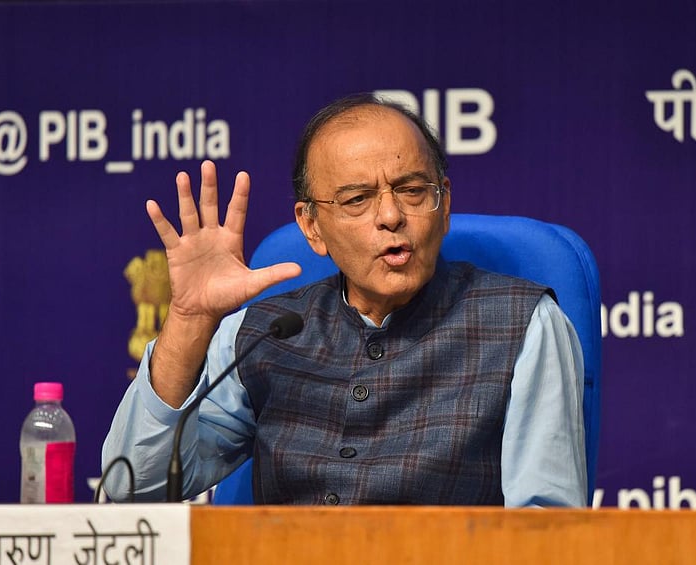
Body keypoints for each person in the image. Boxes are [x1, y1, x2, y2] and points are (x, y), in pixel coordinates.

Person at [102, 93, 587, 506]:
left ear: (444, 204)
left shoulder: (525, 325)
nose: (392, 215)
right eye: (357, 200)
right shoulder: (261, 334)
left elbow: (546, 534)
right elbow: (132, 492)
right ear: (312, 226)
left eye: (413, 190)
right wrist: (189, 319)